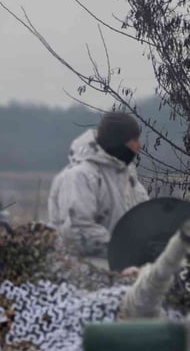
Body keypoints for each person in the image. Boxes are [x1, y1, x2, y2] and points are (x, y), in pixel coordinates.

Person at [47, 111, 148, 258]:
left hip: (124, 268)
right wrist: (121, 250)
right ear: (119, 141)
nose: (139, 146)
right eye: (134, 140)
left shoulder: (128, 177)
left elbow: (146, 219)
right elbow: (78, 230)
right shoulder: (80, 177)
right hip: (85, 270)